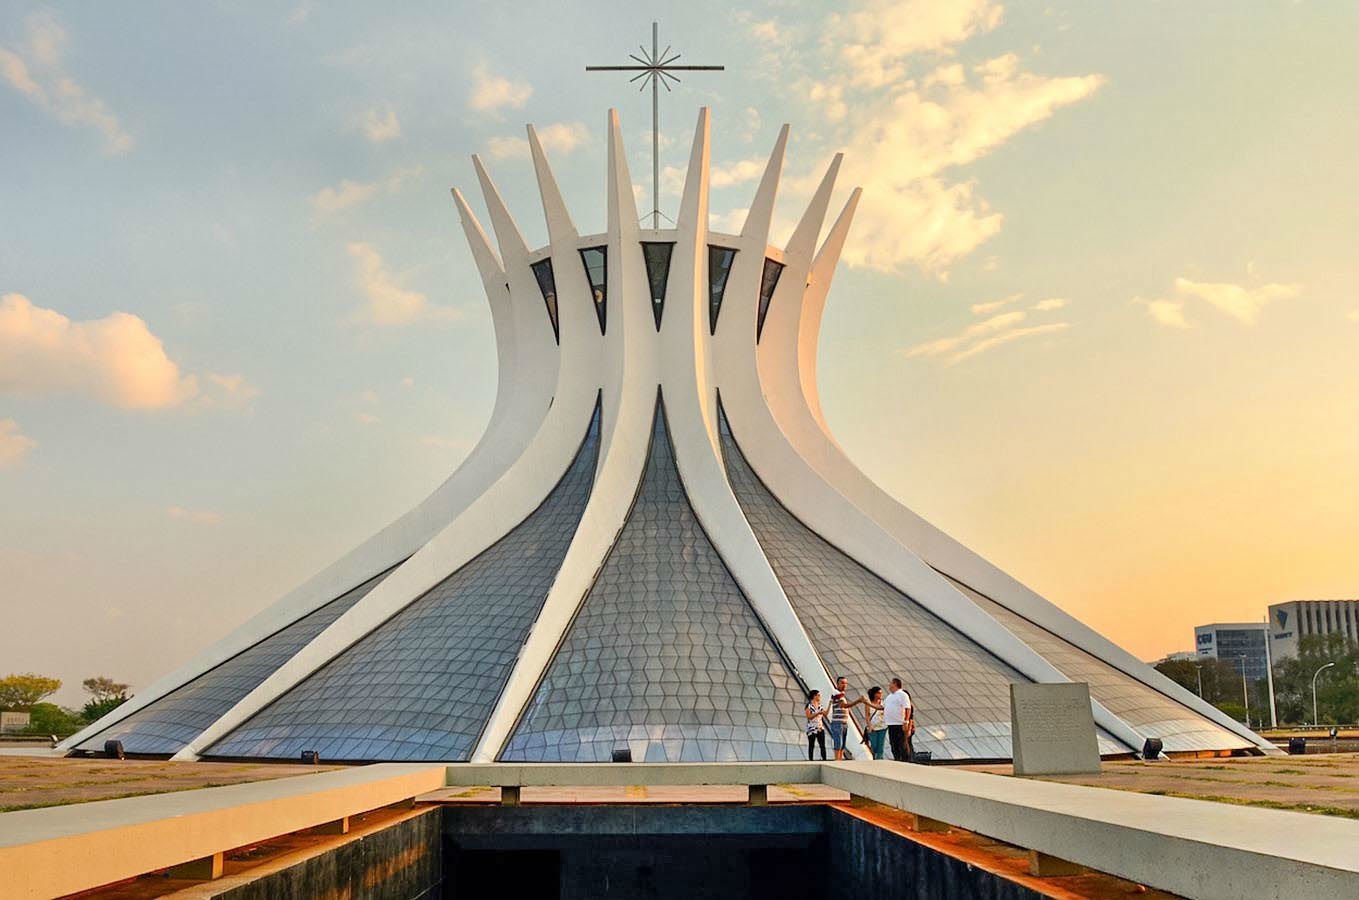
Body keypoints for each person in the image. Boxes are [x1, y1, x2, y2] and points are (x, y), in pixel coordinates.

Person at [883, 677, 914, 762]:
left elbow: (908, 708)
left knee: (902, 744)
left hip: (900, 724)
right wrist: (867, 703)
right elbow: (882, 707)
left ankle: (905, 761)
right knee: (893, 744)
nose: (889, 685)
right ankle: (897, 759)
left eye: (891, 683)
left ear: (895, 684)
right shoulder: (889, 696)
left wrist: (906, 721)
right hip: (891, 724)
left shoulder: (902, 694)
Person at [861, 685, 887, 760]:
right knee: (874, 745)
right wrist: (869, 726)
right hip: (873, 728)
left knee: (880, 746)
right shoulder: (868, 703)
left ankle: (879, 760)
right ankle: (874, 758)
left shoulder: (883, 703)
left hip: (882, 727)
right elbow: (867, 716)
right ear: (875, 694)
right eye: (879, 693)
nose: (880, 695)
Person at [804, 690, 829, 761]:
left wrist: (830, 704)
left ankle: (824, 759)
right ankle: (811, 759)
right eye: (818, 695)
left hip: (820, 727)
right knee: (811, 745)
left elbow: (825, 713)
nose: (819, 696)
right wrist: (817, 713)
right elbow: (809, 716)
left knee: (822, 745)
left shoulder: (820, 705)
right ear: (814, 696)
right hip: (812, 728)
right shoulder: (809, 705)